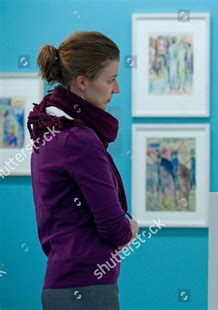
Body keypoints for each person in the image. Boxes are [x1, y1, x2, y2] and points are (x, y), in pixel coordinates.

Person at [28, 31, 139, 309]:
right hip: (86, 289)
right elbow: (115, 229)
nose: (117, 89)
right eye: (111, 79)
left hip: (65, 283)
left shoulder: (49, 128)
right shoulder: (79, 139)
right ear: (82, 82)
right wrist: (130, 227)